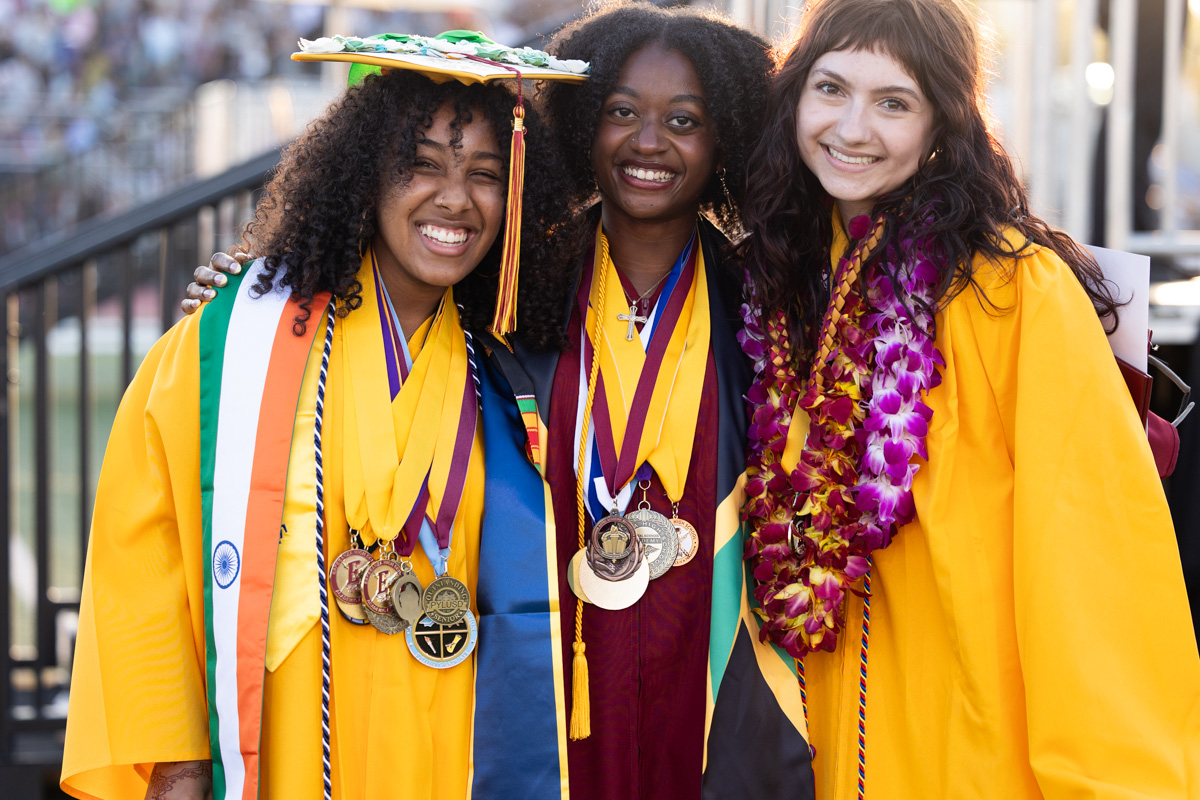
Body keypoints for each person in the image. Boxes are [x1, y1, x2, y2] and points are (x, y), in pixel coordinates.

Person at [191, 4, 813, 798]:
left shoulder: (764, 305)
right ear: (582, 126)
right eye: (621, 111)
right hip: (531, 692)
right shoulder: (512, 288)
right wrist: (246, 298)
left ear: (725, 135)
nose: (649, 142)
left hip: (707, 676)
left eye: (684, 120)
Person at [61, 35, 582, 800]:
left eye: (484, 174)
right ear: (364, 173)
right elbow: (145, 561)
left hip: (450, 749)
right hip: (288, 748)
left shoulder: (509, 371)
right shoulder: (235, 347)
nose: (455, 199)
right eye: (422, 164)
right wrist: (180, 763)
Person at [739, 0, 1200, 797]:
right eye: (831, 88)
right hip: (815, 738)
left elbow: (1094, 563)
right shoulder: (777, 284)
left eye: (894, 102)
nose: (852, 128)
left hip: (970, 739)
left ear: (943, 125)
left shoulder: (1012, 289)